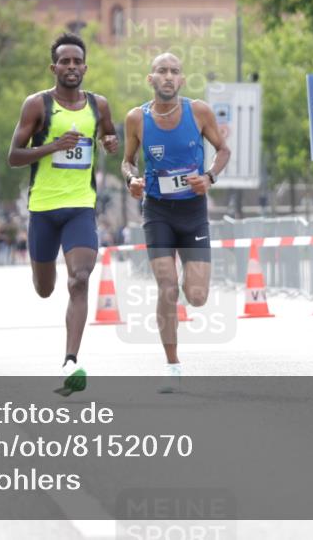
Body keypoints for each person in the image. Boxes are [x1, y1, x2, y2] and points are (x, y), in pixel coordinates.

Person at [7, 32, 118, 395]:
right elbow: (14, 156)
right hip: (43, 209)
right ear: (54, 67)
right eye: (64, 62)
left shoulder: (99, 106)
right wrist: (53, 146)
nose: (71, 67)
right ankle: (46, 277)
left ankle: (71, 360)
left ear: (85, 67)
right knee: (44, 289)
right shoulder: (37, 105)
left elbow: (109, 138)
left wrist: (110, 143)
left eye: (77, 62)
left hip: (80, 207)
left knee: (80, 279)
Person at [121, 52, 230, 392]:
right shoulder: (136, 119)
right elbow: (127, 162)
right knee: (167, 287)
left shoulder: (198, 112)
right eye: (161, 71)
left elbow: (223, 150)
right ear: (150, 79)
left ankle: (188, 275)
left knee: (196, 296)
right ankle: (172, 364)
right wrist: (132, 181)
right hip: (158, 211)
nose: (168, 76)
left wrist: (210, 177)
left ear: (182, 80)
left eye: (174, 72)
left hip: (193, 211)